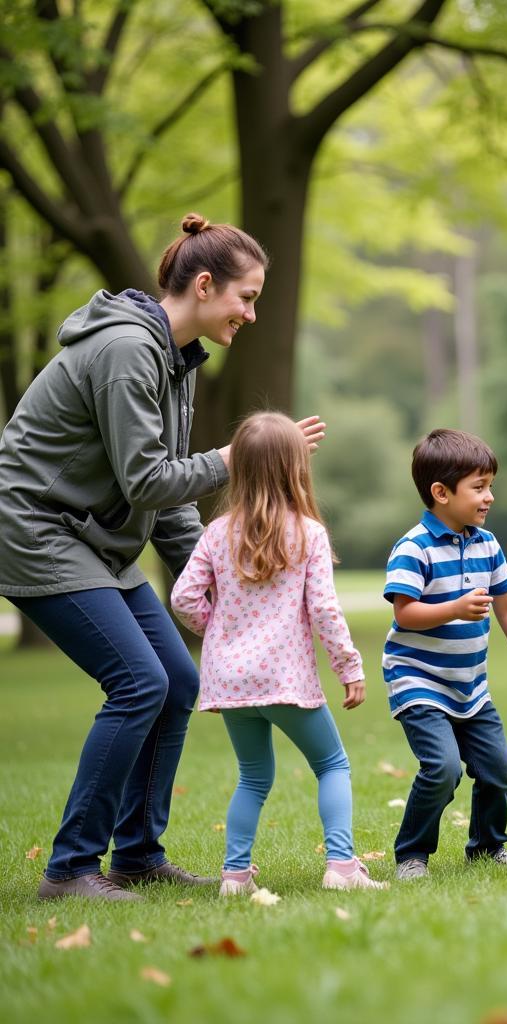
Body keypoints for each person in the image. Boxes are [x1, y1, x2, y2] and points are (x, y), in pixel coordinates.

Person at [0, 213, 325, 901]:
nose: (253, 313)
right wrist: (235, 458)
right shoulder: (126, 351)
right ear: (204, 285)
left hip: (96, 539)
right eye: (247, 296)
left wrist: (226, 585)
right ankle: (69, 869)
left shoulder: (176, 360)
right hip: (37, 532)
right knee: (138, 683)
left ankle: (138, 855)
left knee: (177, 680)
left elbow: (166, 493)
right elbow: (149, 480)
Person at [170, 412, 385, 894]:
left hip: (230, 680)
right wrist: (349, 667)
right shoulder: (308, 532)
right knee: (332, 765)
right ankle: (342, 868)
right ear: (296, 469)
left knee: (252, 776)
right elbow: (325, 610)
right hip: (285, 680)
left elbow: (183, 597)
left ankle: (235, 875)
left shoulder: (217, 532)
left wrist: (217, 633)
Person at [382, 428, 507, 880]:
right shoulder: (414, 547)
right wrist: (454, 608)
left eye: (490, 485)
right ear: (441, 493)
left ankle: (487, 848)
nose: (489, 496)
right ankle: (412, 855)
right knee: (442, 768)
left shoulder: (487, 544)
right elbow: (405, 614)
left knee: (499, 768)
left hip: (469, 686)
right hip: (418, 679)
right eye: (479, 487)